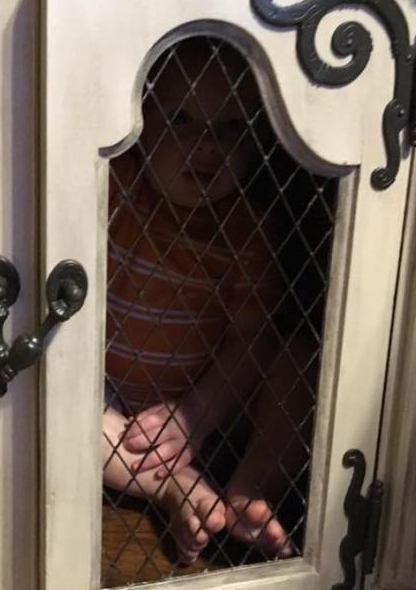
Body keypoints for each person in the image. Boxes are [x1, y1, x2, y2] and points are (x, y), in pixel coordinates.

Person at [103, 38, 316, 564]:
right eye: (180, 119)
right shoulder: (116, 187)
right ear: (140, 123)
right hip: (116, 409)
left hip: (213, 404)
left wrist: (197, 413)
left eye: (231, 127)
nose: (206, 145)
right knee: (59, 409)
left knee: (303, 362)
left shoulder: (249, 229)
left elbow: (250, 340)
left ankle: (250, 487)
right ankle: (177, 487)